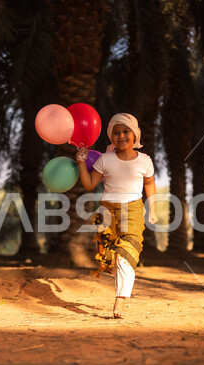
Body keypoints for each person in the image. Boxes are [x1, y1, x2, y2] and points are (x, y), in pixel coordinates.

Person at [75, 113, 157, 319]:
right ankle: (124, 289)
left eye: (125, 131)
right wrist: (80, 162)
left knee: (125, 254)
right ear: (111, 137)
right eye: (116, 132)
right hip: (106, 212)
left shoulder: (145, 160)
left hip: (133, 211)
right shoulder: (105, 159)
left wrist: (153, 209)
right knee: (109, 259)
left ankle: (120, 301)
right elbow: (89, 184)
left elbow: (149, 183)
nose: (121, 136)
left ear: (135, 135)